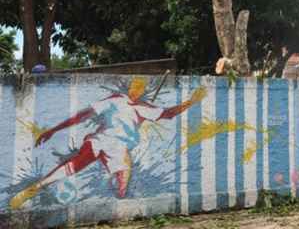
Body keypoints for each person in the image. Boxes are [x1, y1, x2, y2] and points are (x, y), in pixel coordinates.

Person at [9, 79, 206, 209]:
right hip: (103, 141)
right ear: (130, 88)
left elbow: (168, 114)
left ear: (142, 91)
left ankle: (116, 200)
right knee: (80, 165)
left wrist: (191, 102)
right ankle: (36, 187)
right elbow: (83, 114)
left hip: (116, 147)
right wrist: (54, 129)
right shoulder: (118, 100)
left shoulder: (143, 108)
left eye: (140, 88)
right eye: (134, 86)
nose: (136, 90)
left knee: (121, 183)